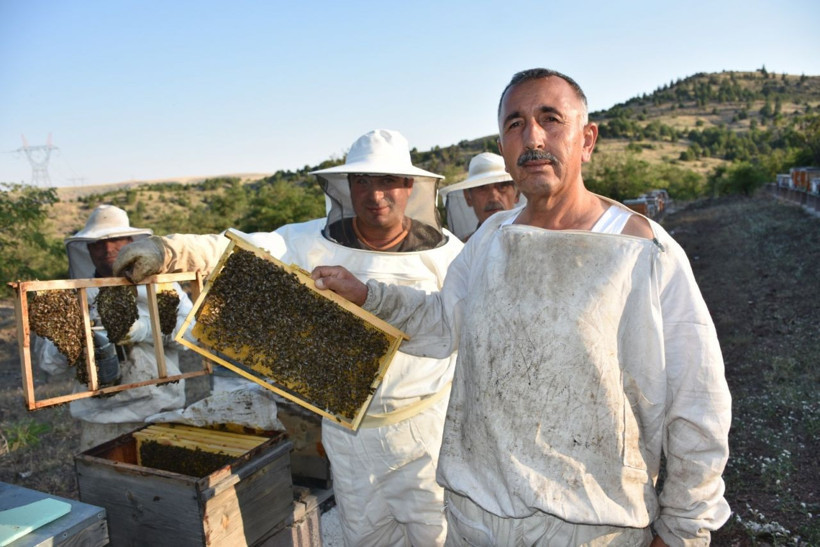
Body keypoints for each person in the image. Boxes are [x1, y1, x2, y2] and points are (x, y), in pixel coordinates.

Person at [312, 70, 732, 546]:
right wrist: (367, 295)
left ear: (586, 139)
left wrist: (682, 529)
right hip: (476, 519)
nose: (532, 137)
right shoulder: (490, 239)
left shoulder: (645, 252)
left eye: (550, 119)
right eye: (515, 124)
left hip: (590, 529)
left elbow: (698, 406)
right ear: (503, 143)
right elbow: (442, 323)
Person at [112, 129, 464, 546]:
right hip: (346, 434)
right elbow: (244, 248)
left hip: (424, 432)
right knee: (365, 536)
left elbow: (460, 329)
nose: (375, 194)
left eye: (387, 180)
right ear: (347, 187)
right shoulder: (309, 241)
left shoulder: (446, 255)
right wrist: (174, 251)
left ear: (409, 186)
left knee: (437, 535)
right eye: (362, 181)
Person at [36, 204, 192, 450]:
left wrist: (144, 329)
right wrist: (68, 343)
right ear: (88, 248)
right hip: (101, 419)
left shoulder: (162, 287)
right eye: (98, 243)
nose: (108, 248)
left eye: (116, 239)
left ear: (131, 241)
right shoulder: (73, 297)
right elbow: (49, 364)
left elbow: (191, 335)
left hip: (159, 411)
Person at [439, 152, 522, 241]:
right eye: (482, 188)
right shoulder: (463, 250)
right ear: (468, 197)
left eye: (503, 186)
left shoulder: (533, 240)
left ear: (517, 194)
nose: (493, 198)